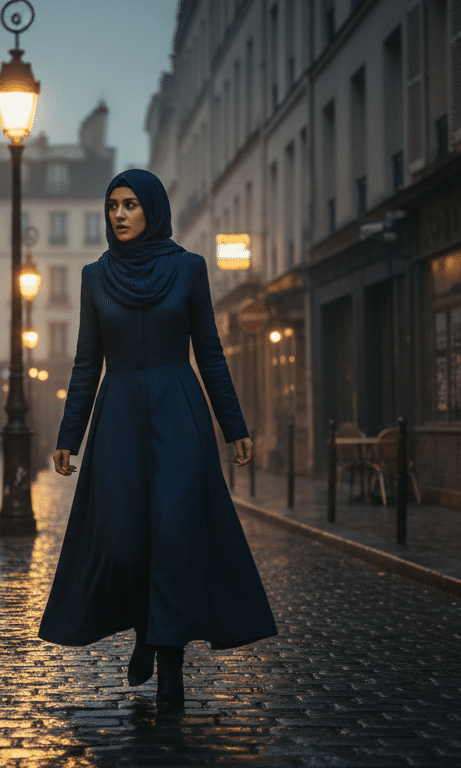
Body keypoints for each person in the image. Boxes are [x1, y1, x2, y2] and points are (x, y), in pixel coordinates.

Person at [38, 168, 278, 712]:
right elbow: (86, 362)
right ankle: (148, 628)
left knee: (173, 536)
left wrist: (233, 424)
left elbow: (211, 352)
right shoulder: (95, 277)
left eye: (129, 205)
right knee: (124, 542)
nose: (118, 215)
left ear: (153, 209)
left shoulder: (190, 269)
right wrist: (68, 434)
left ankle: (170, 663)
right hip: (119, 416)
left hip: (179, 414)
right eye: (111, 206)